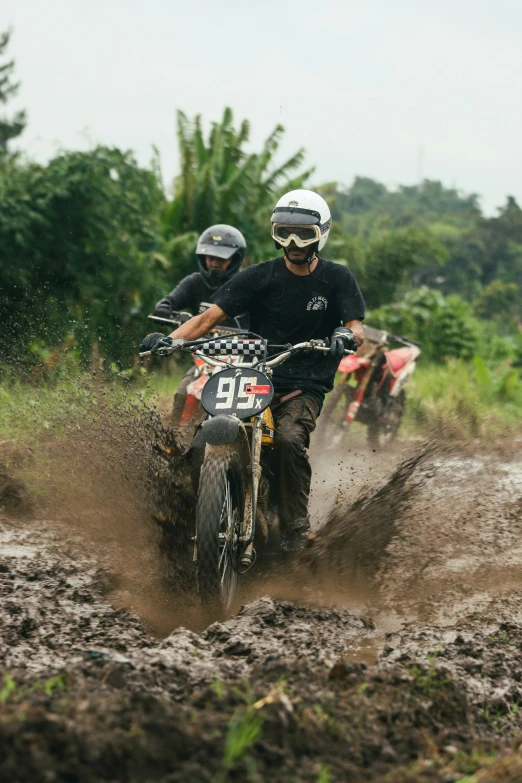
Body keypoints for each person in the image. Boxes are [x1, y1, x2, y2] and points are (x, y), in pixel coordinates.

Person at [141, 190, 365, 551]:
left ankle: (295, 528)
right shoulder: (260, 276)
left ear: (321, 234)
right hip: (256, 374)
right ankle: (189, 505)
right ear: (275, 233)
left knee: (290, 440)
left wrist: (344, 334)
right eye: (284, 233)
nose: (293, 243)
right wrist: (168, 340)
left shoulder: (337, 279)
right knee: (203, 427)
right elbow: (207, 318)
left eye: (303, 234)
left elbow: (356, 329)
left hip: (303, 383)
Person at [152, 224, 247, 430]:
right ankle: (175, 441)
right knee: (183, 392)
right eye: (210, 257)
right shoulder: (194, 282)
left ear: (235, 259)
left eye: (221, 258)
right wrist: (164, 310)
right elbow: (168, 302)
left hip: (245, 362)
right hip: (204, 360)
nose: (214, 263)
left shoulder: (246, 285)